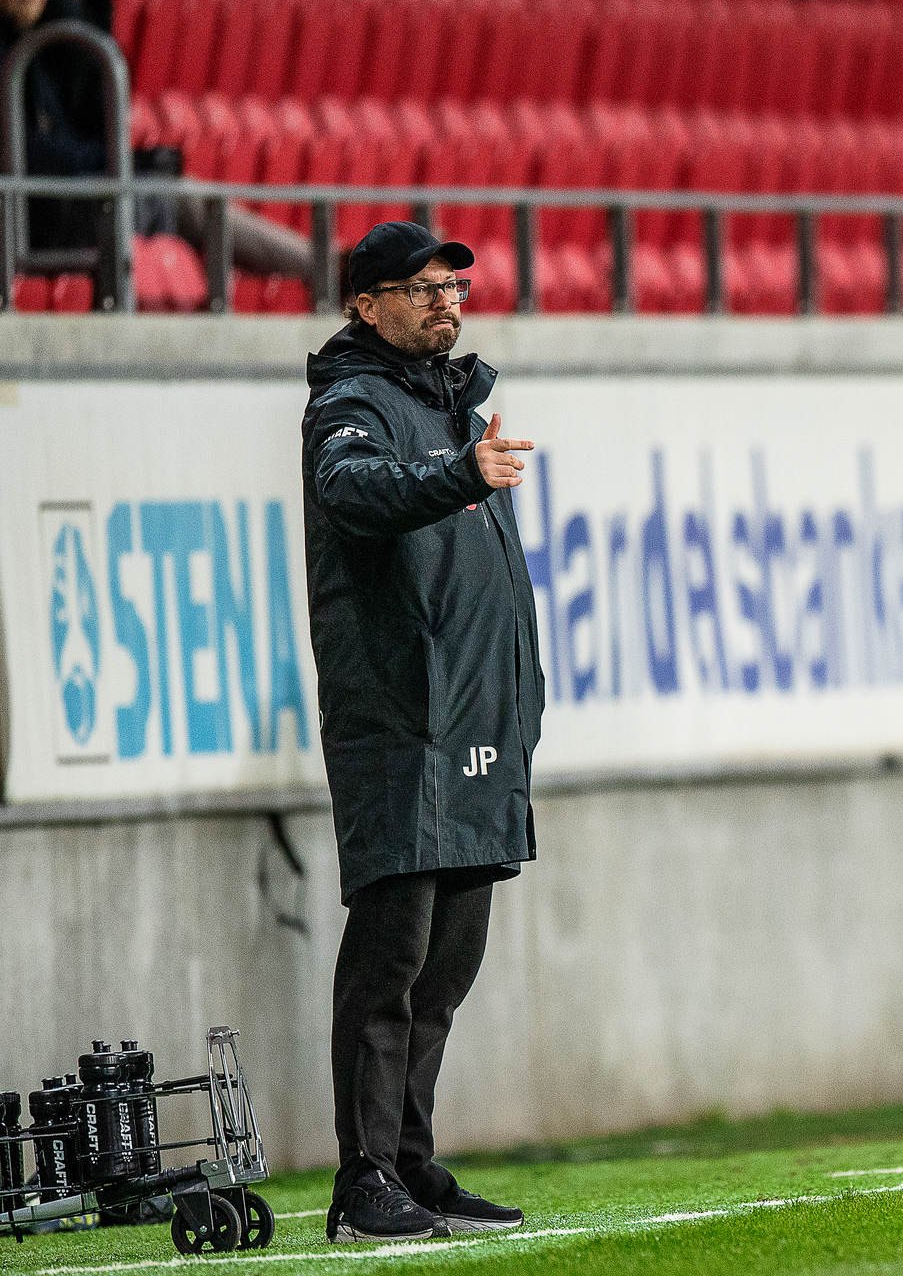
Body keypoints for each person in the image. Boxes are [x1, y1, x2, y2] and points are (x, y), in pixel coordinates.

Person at [301, 222, 543, 1244]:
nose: (447, 300)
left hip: (476, 723)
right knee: (390, 957)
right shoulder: (351, 400)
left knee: (446, 963)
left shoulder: (450, 404)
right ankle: (363, 1180)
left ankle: (406, 1159)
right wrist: (459, 473)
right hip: (403, 722)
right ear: (367, 305)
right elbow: (351, 493)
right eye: (421, 287)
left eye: (453, 285)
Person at [0, 0, 310, 279]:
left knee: (181, 195)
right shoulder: (15, 47)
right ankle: (323, 266)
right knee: (179, 198)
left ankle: (324, 265)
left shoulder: (56, 39)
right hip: (29, 215)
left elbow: (98, 117)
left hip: (75, 199)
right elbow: (26, 151)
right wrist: (129, 162)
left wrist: (77, 13)